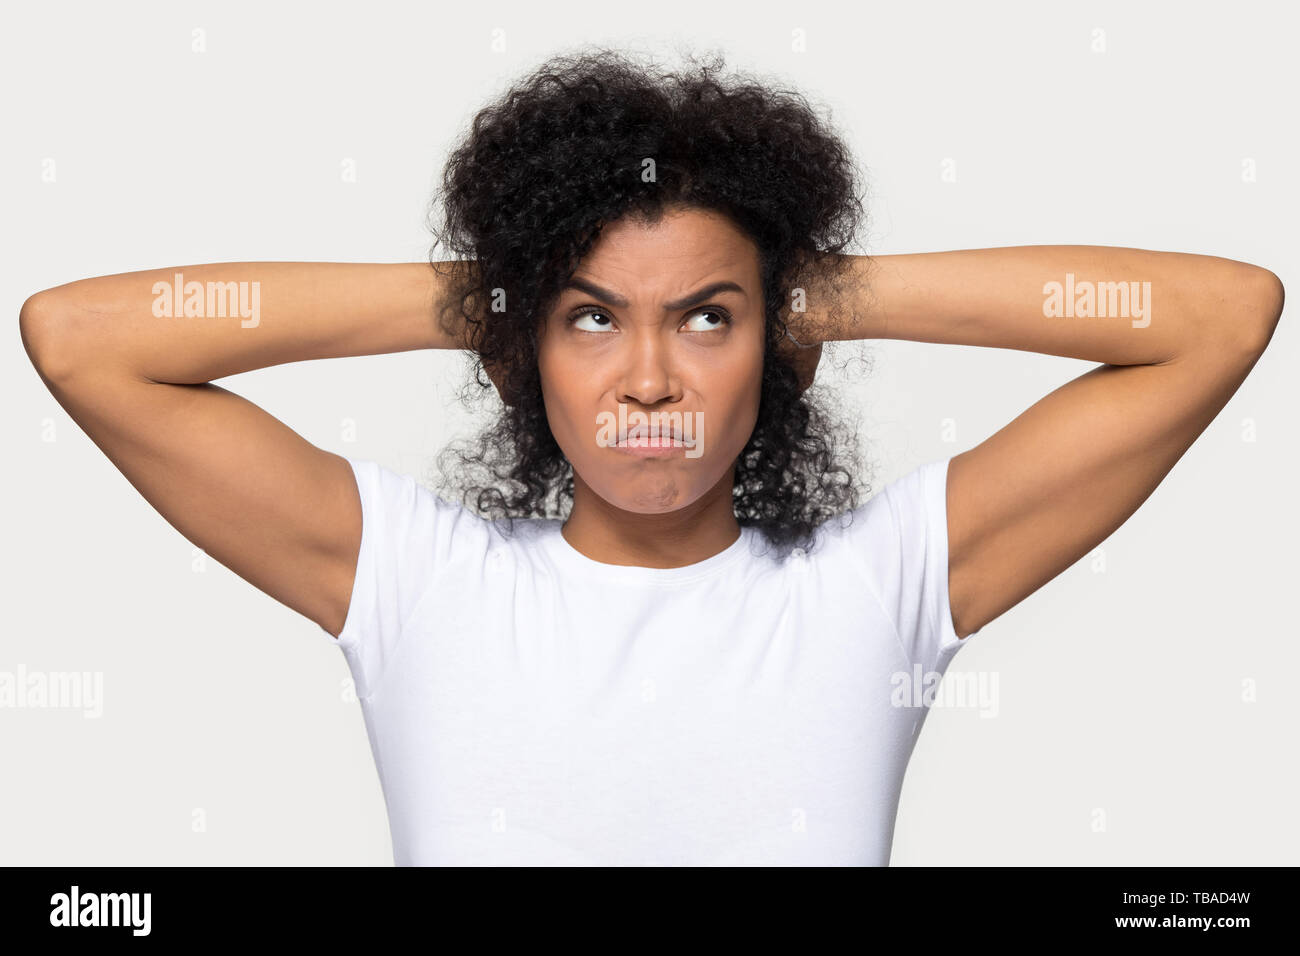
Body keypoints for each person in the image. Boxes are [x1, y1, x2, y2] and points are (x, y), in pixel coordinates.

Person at [18, 49, 1283, 866]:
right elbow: (81, 338)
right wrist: (494, 291)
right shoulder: (414, 580)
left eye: (707, 316)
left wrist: (812, 287)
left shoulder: (880, 581)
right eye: (591, 319)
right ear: (525, 357)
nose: (647, 375)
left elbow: (1219, 316)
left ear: (779, 349)